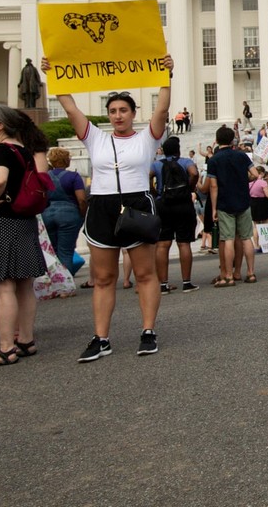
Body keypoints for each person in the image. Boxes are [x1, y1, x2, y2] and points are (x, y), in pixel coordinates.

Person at [44, 55, 174, 360]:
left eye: (123, 111)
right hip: (102, 205)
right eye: (113, 111)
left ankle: (148, 331)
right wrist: (55, 76)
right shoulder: (95, 138)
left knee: (144, 273)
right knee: (102, 277)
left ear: (132, 113)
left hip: (136, 204)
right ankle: (101, 338)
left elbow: (162, 109)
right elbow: (70, 107)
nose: (118, 116)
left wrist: (167, 76)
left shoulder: (147, 138)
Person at [0, 106, 51, 369]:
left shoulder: (3, 150)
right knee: (25, 285)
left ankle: (6, 347)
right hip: (24, 220)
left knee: (3, 286)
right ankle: (26, 339)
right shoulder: (24, 150)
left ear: (0, 126)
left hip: (2, 221)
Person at [202, 126, 255, 286]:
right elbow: (255, 174)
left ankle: (229, 276)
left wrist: (213, 208)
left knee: (228, 239)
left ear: (217, 141)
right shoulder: (242, 156)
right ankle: (251, 273)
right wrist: (243, 180)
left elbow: (213, 186)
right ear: (233, 140)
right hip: (243, 200)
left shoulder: (214, 160)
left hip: (225, 202)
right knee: (246, 238)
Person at [150, 136, 199, 293]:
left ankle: (163, 284)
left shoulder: (157, 164)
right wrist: (189, 188)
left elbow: (147, 176)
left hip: (163, 203)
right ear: (178, 149)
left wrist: (155, 193)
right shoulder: (185, 162)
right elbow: (195, 173)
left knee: (163, 244)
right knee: (184, 243)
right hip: (183, 204)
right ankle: (186, 282)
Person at [42, 147, 86, 274]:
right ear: (67, 161)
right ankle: (65, 287)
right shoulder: (74, 177)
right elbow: (82, 199)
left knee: (53, 251)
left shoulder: (45, 177)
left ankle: (55, 283)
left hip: (47, 214)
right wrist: (81, 214)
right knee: (66, 251)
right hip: (69, 214)